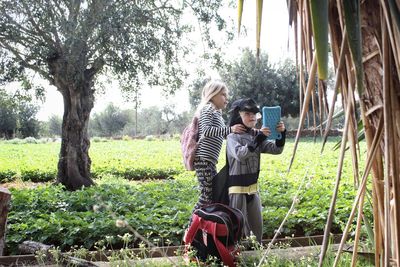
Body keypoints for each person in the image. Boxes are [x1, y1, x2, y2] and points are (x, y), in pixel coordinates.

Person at [226, 98, 286, 243]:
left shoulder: (255, 135)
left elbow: (276, 149)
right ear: (238, 116)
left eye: (254, 113)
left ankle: (256, 257)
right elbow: (240, 154)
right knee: (237, 229)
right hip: (237, 191)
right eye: (247, 113)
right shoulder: (232, 137)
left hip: (253, 190)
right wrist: (259, 138)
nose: (252, 116)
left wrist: (281, 134)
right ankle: (236, 259)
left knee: (256, 228)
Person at [191, 80, 246, 213]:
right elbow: (206, 131)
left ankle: (204, 224)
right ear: (212, 95)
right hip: (204, 160)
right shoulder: (208, 109)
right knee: (206, 196)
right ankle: (192, 225)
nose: (226, 99)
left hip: (210, 161)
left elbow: (223, 133)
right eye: (223, 95)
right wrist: (230, 129)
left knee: (213, 194)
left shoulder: (217, 114)